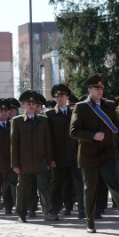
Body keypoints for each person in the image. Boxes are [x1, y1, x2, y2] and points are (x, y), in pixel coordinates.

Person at [69, 73, 119, 233]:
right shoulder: (81, 107)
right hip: (88, 154)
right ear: (89, 90)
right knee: (90, 189)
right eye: (96, 88)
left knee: (115, 181)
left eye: (101, 88)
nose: (99, 91)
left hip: (107, 152)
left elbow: (118, 130)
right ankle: (90, 221)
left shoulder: (109, 106)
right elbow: (73, 131)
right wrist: (92, 135)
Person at [11, 90, 54, 223]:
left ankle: (48, 211)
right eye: (28, 104)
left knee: (44, 187)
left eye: (33, 104)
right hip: (24, 163)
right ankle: (21, 213)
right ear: (23, 106)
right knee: (22, 189)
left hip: (41, 161)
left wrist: (49, 160)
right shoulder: (17, 121)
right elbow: (14, 144)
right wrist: (15, 164)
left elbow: (48, 142)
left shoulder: (43, 120)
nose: (31, 106)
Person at [45, 84, 84, 219]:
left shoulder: (74, 114)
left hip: (74, 156)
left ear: (67, 98)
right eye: (57, 96)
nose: (60, 98)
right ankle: (54, 211)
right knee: (56, 185)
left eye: (62, 96)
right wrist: (51, 158)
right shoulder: (49, 115)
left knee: (79, 183)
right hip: (58, 157)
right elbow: (48, 139)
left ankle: (82, 209)